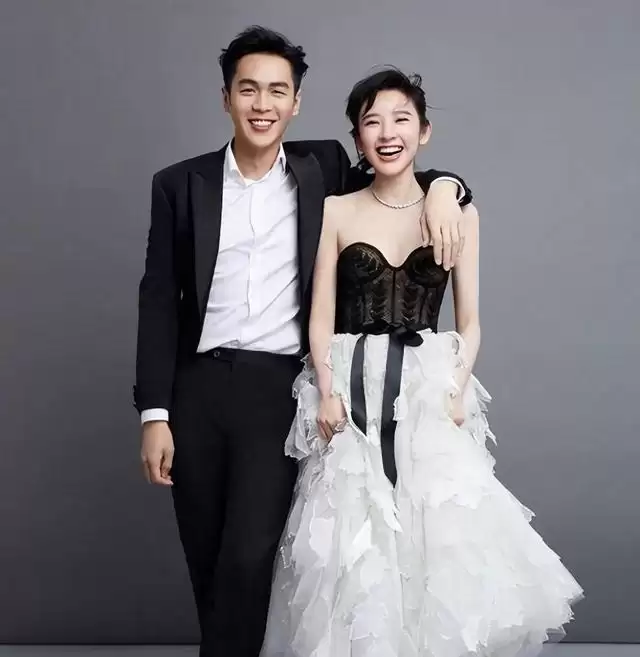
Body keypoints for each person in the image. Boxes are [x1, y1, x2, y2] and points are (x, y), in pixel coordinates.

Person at [134, 27, 473, 657]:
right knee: (206, 554)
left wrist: (449, 188)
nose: (262, 104)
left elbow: (397, 165)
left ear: (296, 102)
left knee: (249, 554)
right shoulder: (179, 184)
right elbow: (158, 302)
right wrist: (155, 413)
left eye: (277, 91)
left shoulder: (323, 168)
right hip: (195, 389)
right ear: (227, 98)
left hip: (277, 389)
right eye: (248, 90)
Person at [259, 68, 584, 657]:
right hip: (350, 383)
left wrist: (454, 388)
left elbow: (471, 321)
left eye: (401, 119)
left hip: (425, 383)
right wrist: (327, 389)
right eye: (372, 122)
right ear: (357, 138)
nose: (388, 133)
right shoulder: (337, 209)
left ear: (424, 131)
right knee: (350, 533)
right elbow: (321, 315)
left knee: (434, 531)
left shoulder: (459, 213)